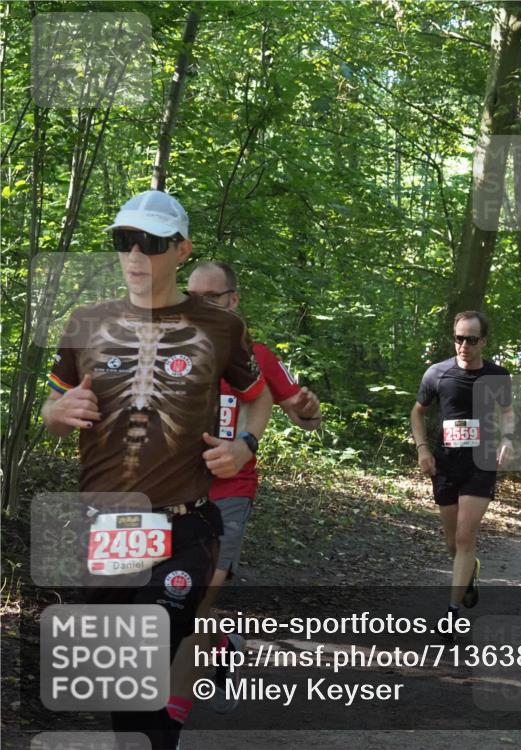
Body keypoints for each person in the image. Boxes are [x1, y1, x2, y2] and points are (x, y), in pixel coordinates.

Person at [42, 190, 270, 750]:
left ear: (182, 249)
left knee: (145, 660)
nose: (136, 255)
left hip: (183, 527)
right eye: (125, 241)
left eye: (152, 242)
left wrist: (244, 444)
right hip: (106, 528)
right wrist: (57, 412)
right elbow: (53, 412)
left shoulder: (220, 327)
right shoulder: (86, 323)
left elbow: (258, 397)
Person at [172, 260, 323, 714]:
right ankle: (220, 644)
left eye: (210, 299)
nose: (198, 307)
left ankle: (169, 723)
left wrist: (311, 409)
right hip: (174, 498)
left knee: (200, 597)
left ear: (233, 300)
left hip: (230, 493)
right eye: (191, 298)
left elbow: (305, 417)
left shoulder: (257, 356)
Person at [410, 311, 514, 630]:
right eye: (458, 338)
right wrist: (423, 448)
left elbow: (508, 412)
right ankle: (470, 571)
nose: (463, 345)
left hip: (481, 465)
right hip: (446, 464)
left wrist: (507, 439)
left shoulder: (497, 376)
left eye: (471, 339)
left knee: (465, 536)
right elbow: (417, 413)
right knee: (452, 544)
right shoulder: (437, 374)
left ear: (483, 341)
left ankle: (452, 614)